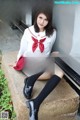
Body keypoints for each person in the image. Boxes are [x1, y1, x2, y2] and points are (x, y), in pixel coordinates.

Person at [16, 7, 64, 120]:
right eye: (40, 17)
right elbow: (22, 49)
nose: (42, 22)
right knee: (47, 62)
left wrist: (53, 55)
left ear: (49, 21)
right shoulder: (28, 31)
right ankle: (29, 80)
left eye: (46, 19)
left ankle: (35, 103)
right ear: (36, 17)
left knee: (60, 72)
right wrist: (17, 61)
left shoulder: (52, 33)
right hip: (29, 63)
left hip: (42, 65)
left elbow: (48, 51)